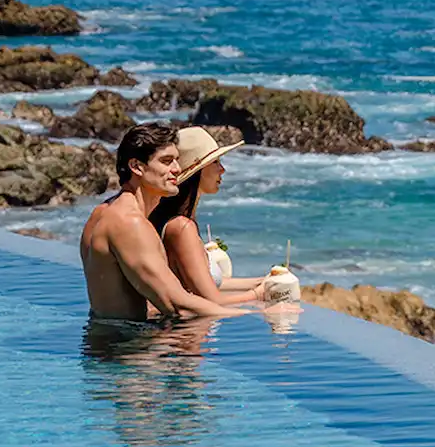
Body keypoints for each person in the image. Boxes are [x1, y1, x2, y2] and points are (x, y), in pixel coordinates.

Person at [80, 123, 249, 321]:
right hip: (130, 348)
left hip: (106, 342)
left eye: (177, 160)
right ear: (137, 167)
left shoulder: (102, 212)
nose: (177, 169)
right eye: (166, 161)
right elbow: (178, 305)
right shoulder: (130, 223)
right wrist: (256, 314)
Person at [150, 127, 285, 308]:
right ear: (196, 171)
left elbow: (205, 283)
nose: (222, 169)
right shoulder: (182, 227)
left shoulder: (179, 221)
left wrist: (262, 281)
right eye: (215, 162)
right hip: (187, 334)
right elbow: (211, 301)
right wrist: (259, 294)